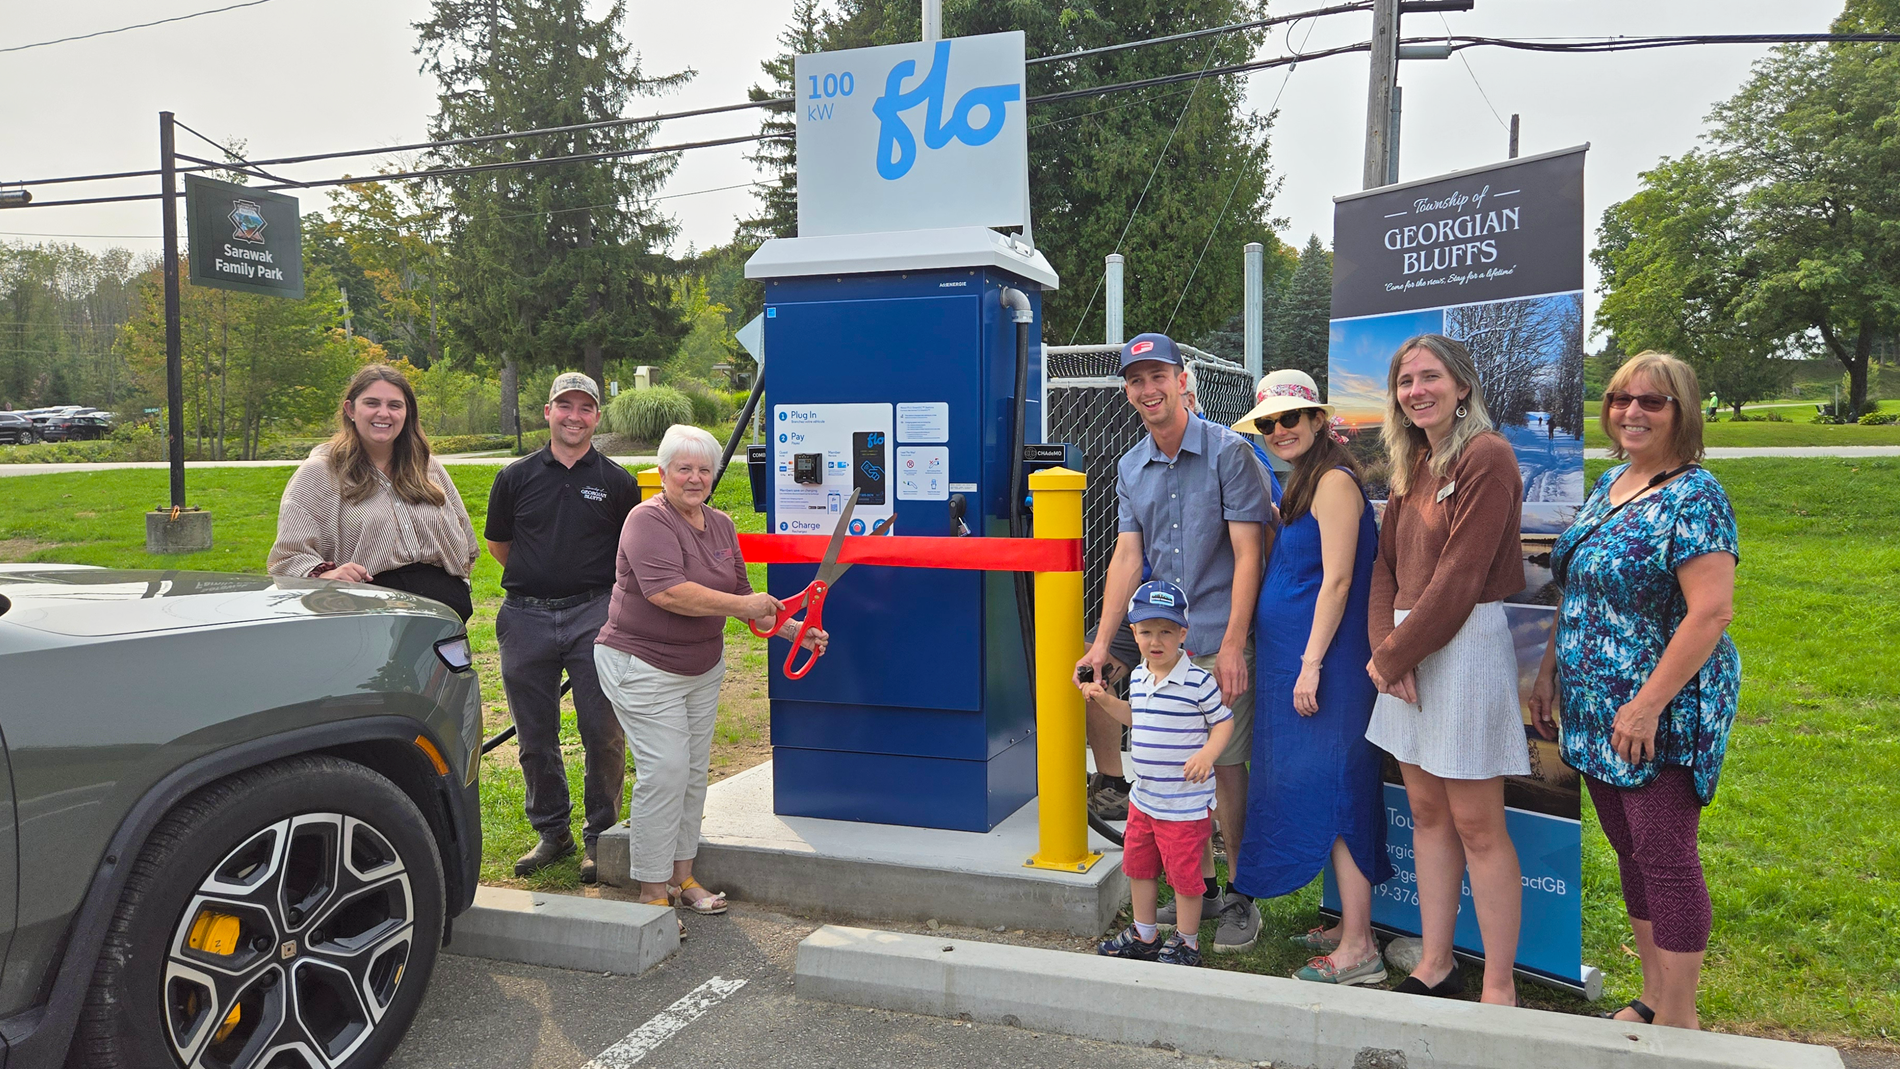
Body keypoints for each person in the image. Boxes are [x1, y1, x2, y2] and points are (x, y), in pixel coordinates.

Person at [1531, 351, 1738, 1030]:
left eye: (1652, 401)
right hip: (1594, 707)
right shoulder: (1611, 481)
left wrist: (1647, 703)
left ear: (1682, 411)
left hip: (1660, 710)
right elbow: (1577, 585)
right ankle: (1652, 993)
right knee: (1631, 851)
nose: (1632, 412)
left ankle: (1682, 1020)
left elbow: (1710, 611)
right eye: (1622, 398)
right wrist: (1549, 669)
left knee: (1667, 856)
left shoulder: (1694, 494)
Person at [1074, 332, 1273, 953]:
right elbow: (1128, 556)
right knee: (1091, 682)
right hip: (1158, 629)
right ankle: (1193, 881)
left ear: (1183, 380)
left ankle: (1240, 893)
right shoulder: (1131, 466)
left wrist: (1236, 642)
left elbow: (1250, 555)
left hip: (1216, 630)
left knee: (1224, 763)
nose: (1148, 389)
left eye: (1159, 375)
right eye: (1135, 380)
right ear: (1128, 392)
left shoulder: (1230, 453)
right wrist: (1103, 644)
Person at [594, 425, 824, 929]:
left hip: (700, 666)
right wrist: (745, 604)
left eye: (705, 469)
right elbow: (668, 593)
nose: (695, 478)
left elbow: (747, 601)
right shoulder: (645, 519)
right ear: (663, 473)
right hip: (642, 665)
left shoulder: (719, 524)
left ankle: (683, 876)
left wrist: (793, 632)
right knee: (667, 771)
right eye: (684, 469)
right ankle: (652, 893)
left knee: (695, 771)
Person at [1363, 334, 1530, 1006]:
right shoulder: (1415, 462)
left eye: (1430, 377)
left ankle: (1498, 982)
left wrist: (1394, 656)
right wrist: (1386, 653)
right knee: (1427, 812)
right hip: (1406, 649)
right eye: (1406, 381)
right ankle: (1436, 961)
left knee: (1478, 824)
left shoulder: (1488, 456)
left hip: (1462, 648)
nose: (1417, 391)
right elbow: (1384, 568)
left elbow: (1460, 580)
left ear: (1463, 385)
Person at [1229, 369, 1393, 987]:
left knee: (1340, 789)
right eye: (1267, 423)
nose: (1277, 430)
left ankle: (1360, 949)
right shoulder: (1304, 482)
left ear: (1319, 420)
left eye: (1289, 418)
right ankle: (1348, 922)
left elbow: (1340, 580)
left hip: (1327, 667)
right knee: (1323, 786)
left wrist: (1310, 662)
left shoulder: (1333, 483)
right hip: (1301, 664)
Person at [486, 372, 639, 883]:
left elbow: (627, 552)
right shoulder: (515, 476)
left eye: (585, 408)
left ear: (597, 416)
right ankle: (553, 832)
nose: (574, 416)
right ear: (548, 412)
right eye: (564, 406)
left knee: (603, 731)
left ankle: (601, 834)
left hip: (595, 614)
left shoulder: (618, 482)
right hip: (525, 616)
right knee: (534, 734)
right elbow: (499, 546)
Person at [1086, 580, 1233, 967]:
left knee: (1184, 877)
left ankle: (1188, 943)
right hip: (1144, 800)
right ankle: (1144, 934)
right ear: (1133, 633)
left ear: (1183, 634)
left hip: (1184, 805)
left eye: (1166, 631)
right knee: (1139, 867)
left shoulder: (1199, 683)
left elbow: (1223, 723)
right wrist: (1105, 700)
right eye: (1147, 631)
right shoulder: (1138, 676)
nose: (1156, 640)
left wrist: (1207, 754)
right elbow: (1133, 716)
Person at [268, 364, 478, 621]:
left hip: (445, 621)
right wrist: (324, 575)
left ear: (407, 412)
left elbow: (466, 542)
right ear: (350, 410)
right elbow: (287, 557)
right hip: (370, 621)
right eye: (372, 403)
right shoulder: (320, 473)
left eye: (394, 405)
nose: (383, 413)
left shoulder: (426, 466)